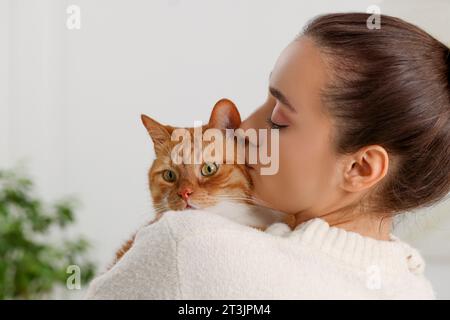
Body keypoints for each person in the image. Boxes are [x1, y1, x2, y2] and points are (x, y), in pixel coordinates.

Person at [85, 13, 450, 299]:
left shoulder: (190, 244)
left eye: (278, 116)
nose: (243, 129)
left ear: (360, 167)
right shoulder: (412, 287)